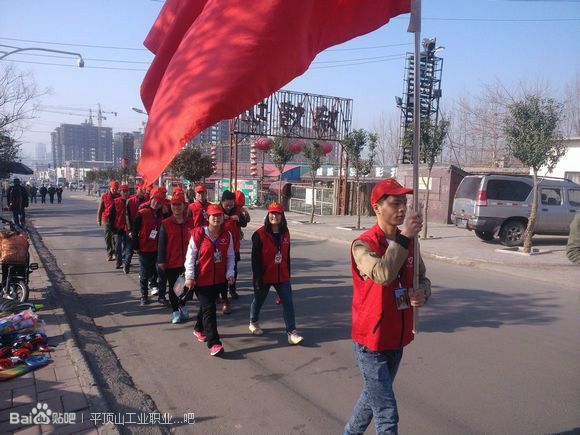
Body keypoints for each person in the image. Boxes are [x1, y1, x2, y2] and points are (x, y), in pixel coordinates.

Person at [344, 178, 431, 435]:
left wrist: (422, 294)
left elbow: (423, 279)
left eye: (404, 203)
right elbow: (383, 274)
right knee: (387, 414)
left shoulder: (411, 243)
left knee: (372, 400)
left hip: (398, 337)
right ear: (377, 207)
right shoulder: (363, 245)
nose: (402, 209)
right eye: (395, 203)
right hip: (372, 341)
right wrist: (404, 238)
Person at [249, 202, 304, 345]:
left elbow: (287, 256)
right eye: (272, 213)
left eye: (278, 214)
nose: (275, 216)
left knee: (288, 302)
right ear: (268, 215)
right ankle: (253, 321)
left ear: (282, 216)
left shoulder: (286, 233)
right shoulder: (259, 234)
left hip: (282, 276)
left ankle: (291, 332)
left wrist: (288, 274)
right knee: (259, 300)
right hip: (265, 276)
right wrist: (258, 278)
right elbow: (255, 259)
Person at [184, 203, 235, 357]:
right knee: (210, 310)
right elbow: (190, 257)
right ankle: (214, 343)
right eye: (214, 216)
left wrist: (230, 272)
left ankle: (199, 328)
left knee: (207, 307)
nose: (217, 218)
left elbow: (231, 256)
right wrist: (190, 276)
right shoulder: (198, 234)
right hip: (201, 279)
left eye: (219, 215)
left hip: (219, 280)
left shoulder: (227, 235)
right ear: (208, 217)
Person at [157, 192, 194, 323]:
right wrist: (161, 261)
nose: (177, 207)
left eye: (179, 205)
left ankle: (182, 306)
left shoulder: (191, 223)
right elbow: (161, 244)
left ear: (184, 206)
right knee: (174, 288)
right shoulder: (166, 223)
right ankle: (175, 311)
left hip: (187, 263)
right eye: (174, 205)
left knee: (185, 288)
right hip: (171, 262)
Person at [132, 187, 168, 306]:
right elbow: (135, 230)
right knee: (144, 273)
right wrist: (135, 246)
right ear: (151, 198)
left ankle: (162, 297)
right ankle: (144, 296)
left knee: (161, 274)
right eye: (156, 200)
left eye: (160, 202)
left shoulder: (163, 214)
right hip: (144, 248)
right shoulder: (142, 212)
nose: (157, 203)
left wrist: (166, 212)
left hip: (159, 249)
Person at [219, 190, 248, 313]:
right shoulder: (217, 210)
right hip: (219, 246)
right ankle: (221, 295)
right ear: (222, 202)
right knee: (220, 270)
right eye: (227, 205)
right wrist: (220, 218)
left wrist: (239, 220)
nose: (229, 207)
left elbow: (245, 223)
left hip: (234, 246)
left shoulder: (237, 210)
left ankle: (232, 289)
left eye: (231, 204)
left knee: (234, 269)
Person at [97, 181, 120, 261]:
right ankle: (109, 253)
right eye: (113, 189)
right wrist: (99, 220)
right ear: (110, 188)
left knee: (115, 237)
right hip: (106, 219)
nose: (114, 190)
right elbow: (100, 209)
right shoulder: (104, 196)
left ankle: (114, 252)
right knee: (108, 236)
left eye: (116, 189)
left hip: (116, 219)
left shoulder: (119, 196)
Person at [109, 184, 130, 270]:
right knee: (117, 245)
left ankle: (125, 260)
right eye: (123, 191)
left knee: (127, 246)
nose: (125, 193)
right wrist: (112, 229)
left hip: (127, 228)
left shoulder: (130, 201)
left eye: (126, 191)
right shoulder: (116, 202)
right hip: (118, 227)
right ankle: (119, 261)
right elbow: (111, 216)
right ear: (120, 192)